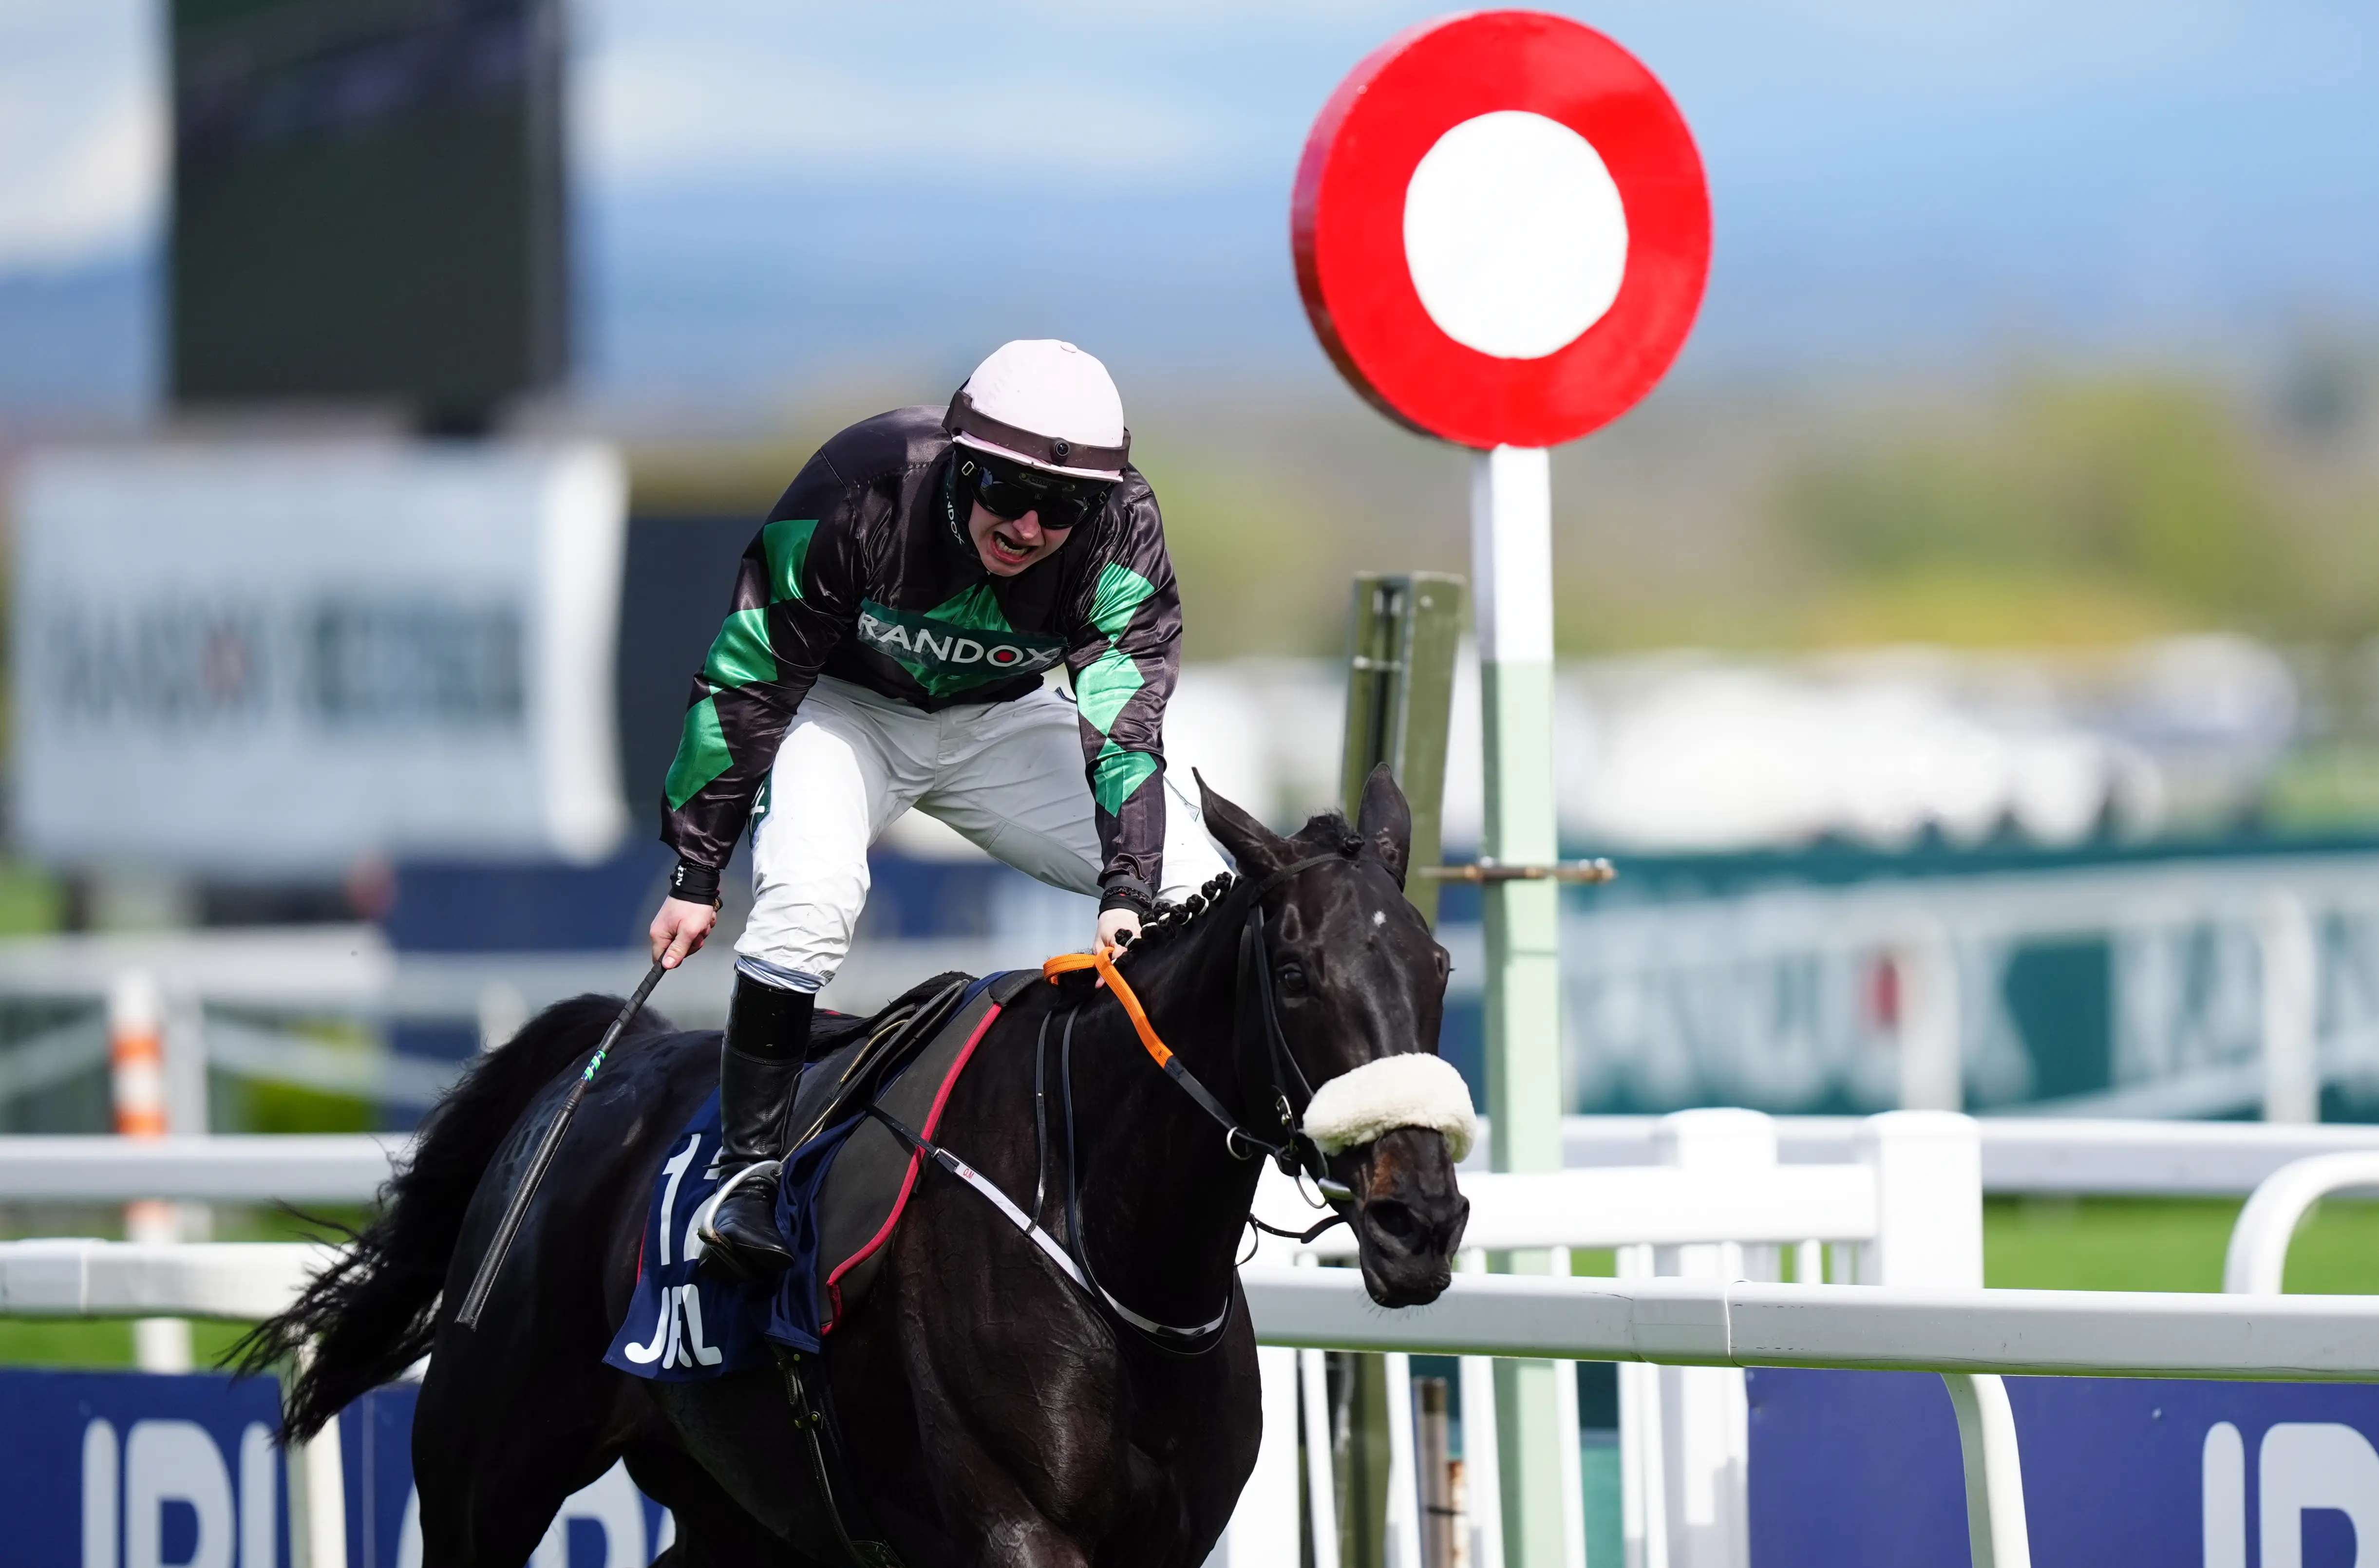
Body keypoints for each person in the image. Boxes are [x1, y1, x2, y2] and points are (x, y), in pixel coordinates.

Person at [646, 339, 1227, 1277]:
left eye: (1062, 508)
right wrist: (697, 868)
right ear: (961, 459)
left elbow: (1126, 721)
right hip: (847, 713)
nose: (1029, 527)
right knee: (809, 901)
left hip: (1000, 723)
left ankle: (1194, 1161)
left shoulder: (1123, 528)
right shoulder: (865, 483)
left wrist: (1127, 889)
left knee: (1198, 888)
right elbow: (751, 672)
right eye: (1007, 490)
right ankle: (744, 1173)